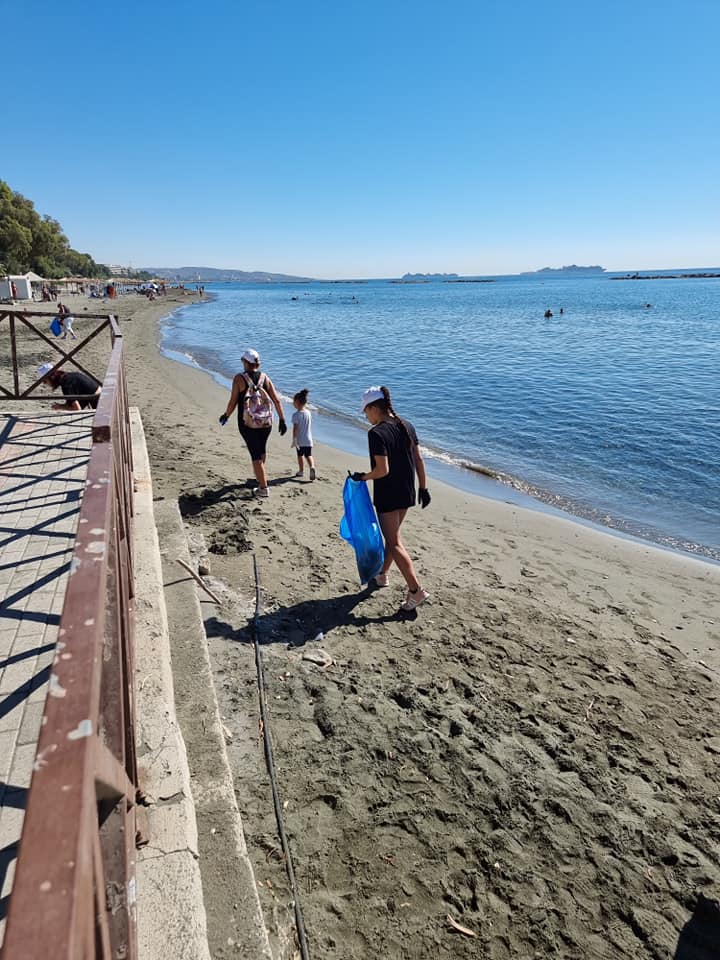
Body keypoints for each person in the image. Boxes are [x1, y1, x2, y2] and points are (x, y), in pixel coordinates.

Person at [352, 386, 430, 611]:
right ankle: (383, 575)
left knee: (394, 542)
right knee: (392, 536)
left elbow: (382, 469)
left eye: (366, 412)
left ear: (375, 408)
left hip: (389, 492)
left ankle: (416, 590)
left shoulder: (376, 433)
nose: (366, 417)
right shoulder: (407, 425)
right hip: (407, 490)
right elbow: (418, 459)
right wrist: (423, 488)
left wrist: (363, 477)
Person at [219, 349, 287, 498]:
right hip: (266, 422)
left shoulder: (239, 379)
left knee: (255, 455)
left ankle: (263, 488)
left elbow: (233, 401)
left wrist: (226, 415)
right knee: (261, 450)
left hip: (248, 423)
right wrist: (282, 420)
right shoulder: (265, 378)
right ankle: (259, 477)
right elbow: (276, 400)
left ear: (246, 362)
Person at [37, 362, 101, 410]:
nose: (45, 384)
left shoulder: (66, 385)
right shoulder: (69, 377)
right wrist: (61, 405)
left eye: (45, 381)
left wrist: (60, 407)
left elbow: (77, 409)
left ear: (51, 377)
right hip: (100, 395)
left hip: (98, 401)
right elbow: (73, 402)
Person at [291, 388, 316, 480]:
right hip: (309, 439)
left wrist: (294, 439)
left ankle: (301, 471)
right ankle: (312, 467)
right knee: (308, 455)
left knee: (300, 455)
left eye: (294, 401)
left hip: (300, 440)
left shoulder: (296, 415)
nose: (293, 403)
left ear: (297, 402)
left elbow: (295, 429)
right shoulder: (308, 413)